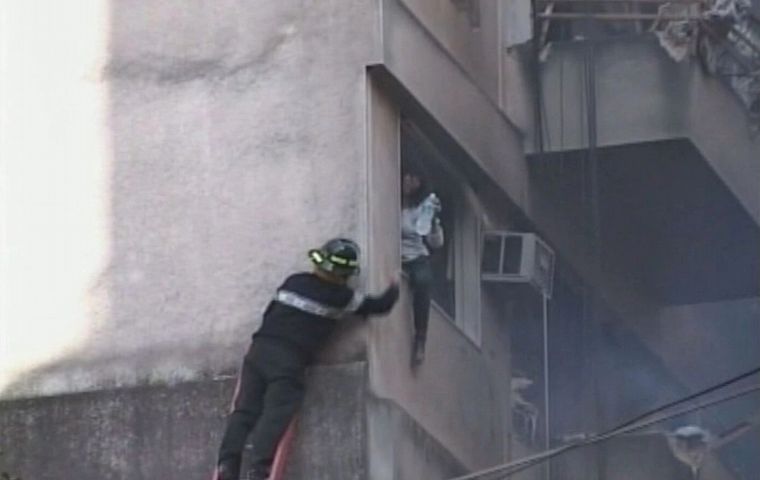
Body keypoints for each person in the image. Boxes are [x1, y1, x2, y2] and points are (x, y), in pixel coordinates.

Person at [214, 238, 399, 480]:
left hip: (259, 350)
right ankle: (258, 467)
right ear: (345, 275)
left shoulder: (294, 281)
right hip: (289, 359)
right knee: (277, 411)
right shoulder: (341, 297)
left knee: (244, 411)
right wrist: (395, 284)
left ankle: (227, 464)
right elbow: (380, 305)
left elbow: (270, 312)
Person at [401, 169, 444, 367]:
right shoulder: (391, 202)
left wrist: (433, 222)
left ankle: (420, 339)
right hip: (394, 254)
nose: (410, 181)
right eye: (408, 176)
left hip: (415, 256)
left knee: (423, 282)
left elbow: (436, 243)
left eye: (415, 178)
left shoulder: (422, 207)